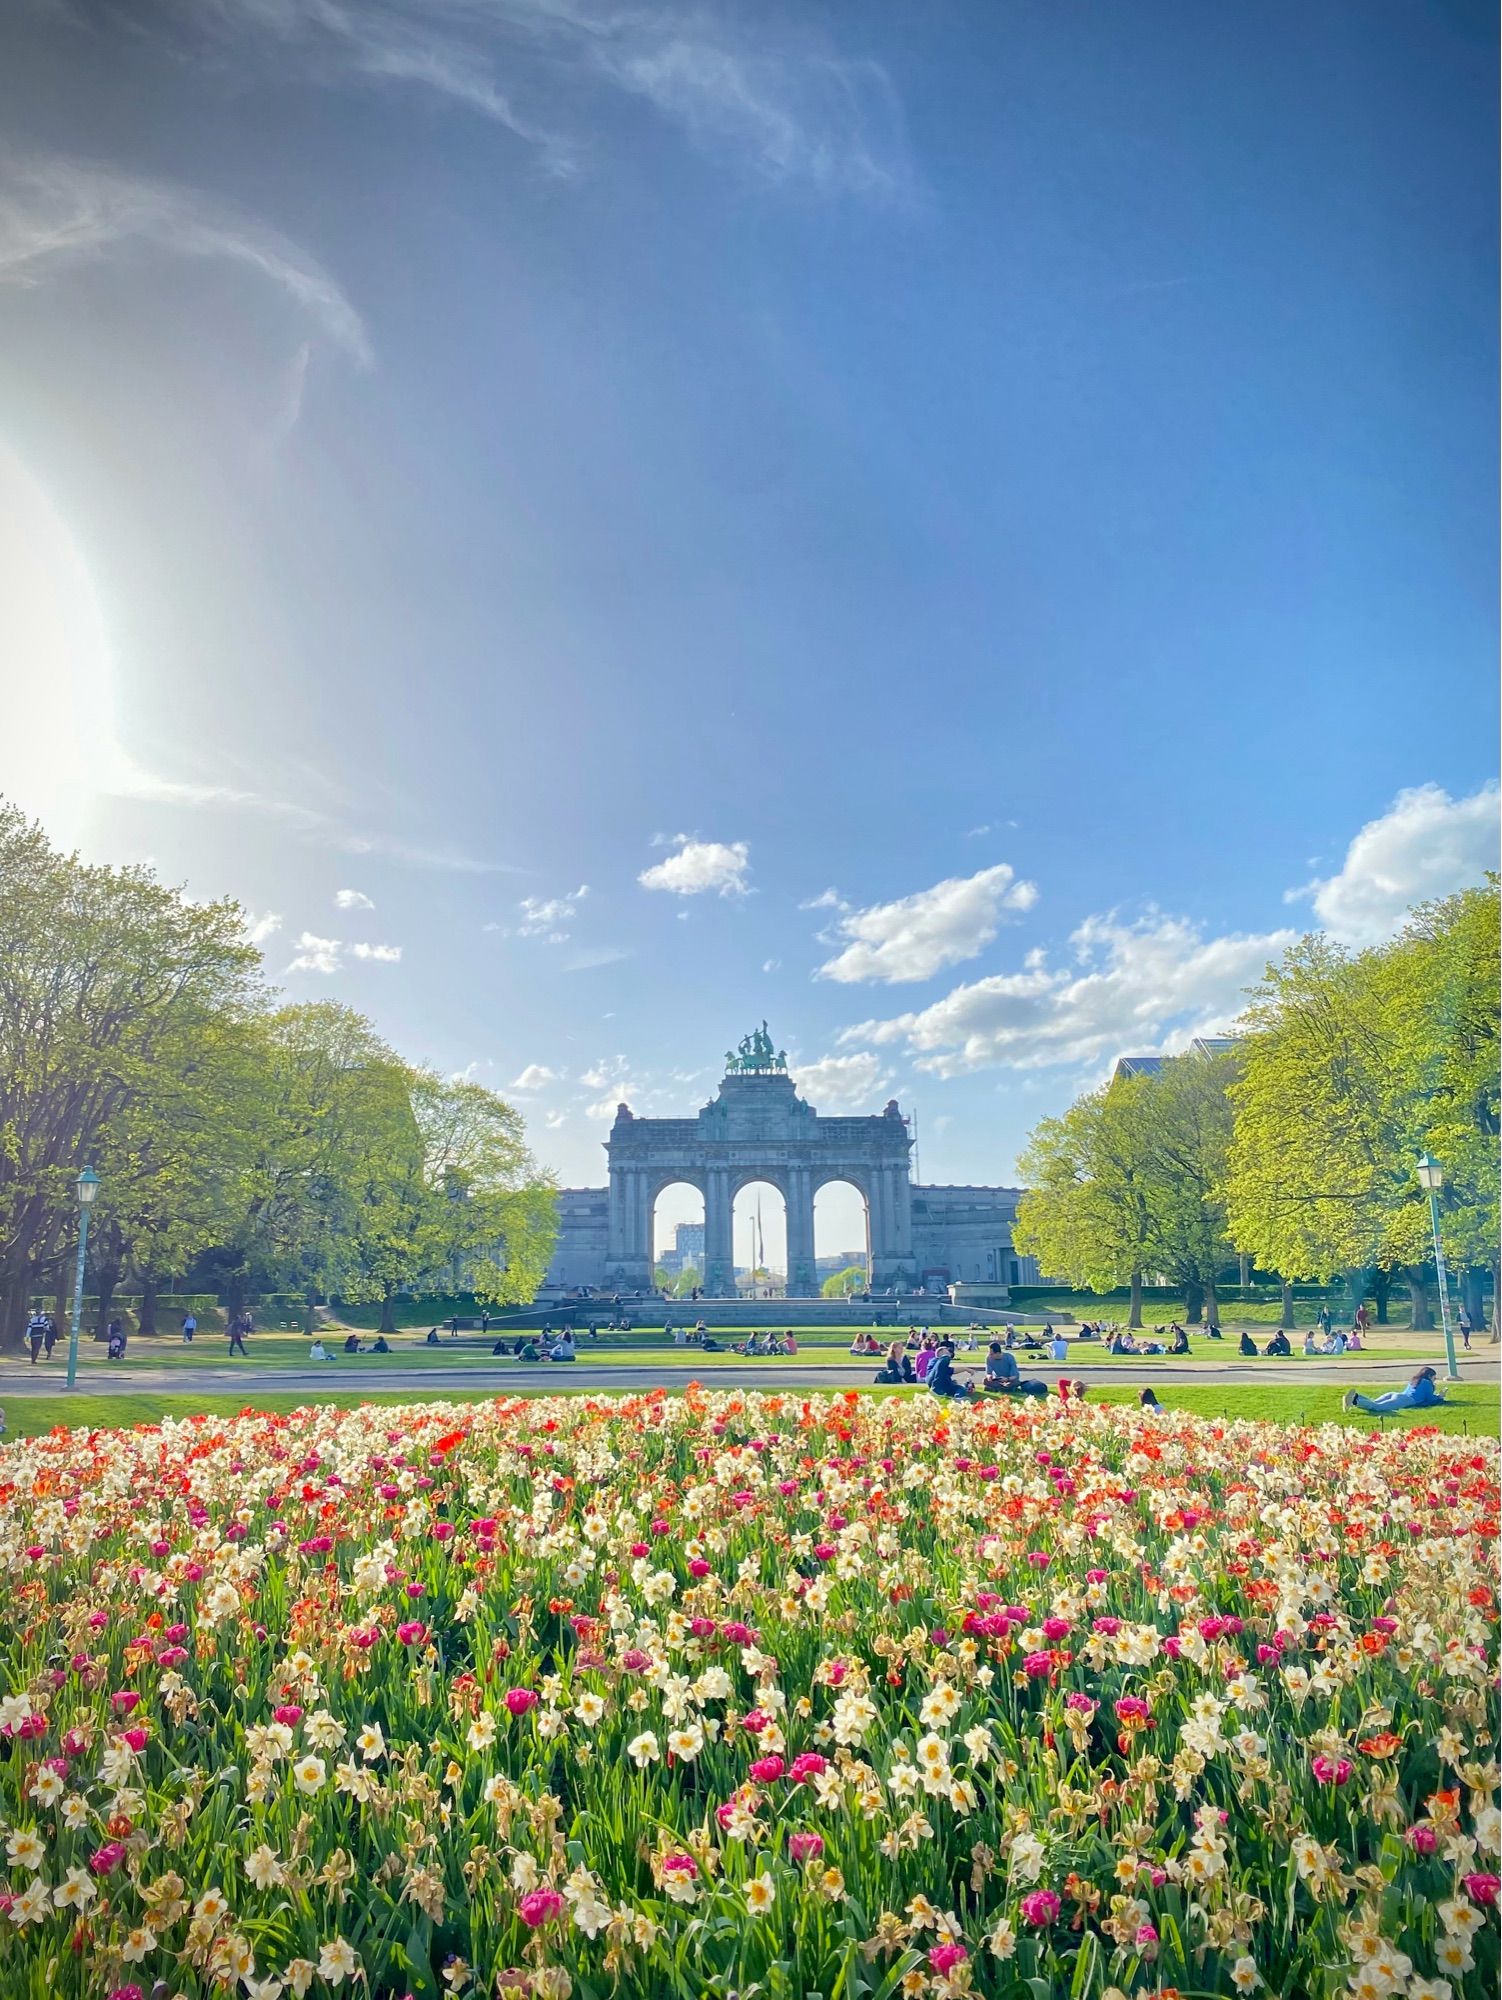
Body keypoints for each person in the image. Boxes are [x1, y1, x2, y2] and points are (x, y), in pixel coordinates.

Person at [1345, 1367, 1447, 1416]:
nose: (1435, 1379)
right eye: (1434, 1377)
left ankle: (1356, 1396)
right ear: (1430, 1376)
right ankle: (1354, 1401)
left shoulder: (1415, 1379)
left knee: (1374, 1404)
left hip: (1396, 1394)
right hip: (1406, 1399)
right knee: (1378, 1407)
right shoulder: (1427, 1383)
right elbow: (1429, 1398)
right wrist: (1440, 1397)